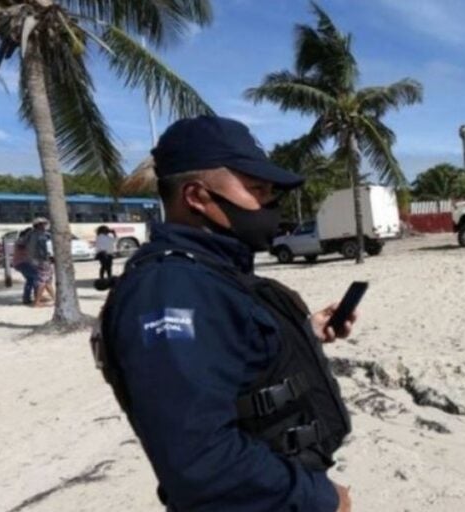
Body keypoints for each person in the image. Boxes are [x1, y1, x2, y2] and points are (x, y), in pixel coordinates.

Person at [92, 116, 356, 511]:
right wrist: (320, 499)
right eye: (256, 189)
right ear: (197, 196)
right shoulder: (169, 290)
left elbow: (229, 353)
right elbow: (200, 460)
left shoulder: (212, 273)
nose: (269, 204)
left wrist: (303, 333)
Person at [27, 218, 54, 307]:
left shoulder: (33, 234)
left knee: (47, 280)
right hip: (41, 260)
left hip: (38, 260)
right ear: (38, 225)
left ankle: (55, 299)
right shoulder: (40, 235)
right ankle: (37, 302)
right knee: (43, 281)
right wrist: (47, 258)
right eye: (42, 224)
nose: (44, 226)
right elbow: (41, 250)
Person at [11, 227, 38, 305]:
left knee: (30, 280)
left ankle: (27, 298)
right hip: (22, 263)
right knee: (36, 277)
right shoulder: (21, 240)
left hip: (22, 263)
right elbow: (23, 246)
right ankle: (37, 297)